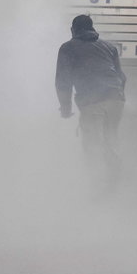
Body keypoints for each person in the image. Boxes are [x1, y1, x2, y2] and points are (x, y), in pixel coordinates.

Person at [56, 15, 127, 188]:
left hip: (92, 100)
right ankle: (115, 182)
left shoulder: (67, 48)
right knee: (111, 138)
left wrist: (66, 107)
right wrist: (118, 96)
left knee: (93, 143)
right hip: (116, 99)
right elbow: (122, 77)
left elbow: (62, 81)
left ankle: (97, 185)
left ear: (73, 30)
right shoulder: (109, 47)